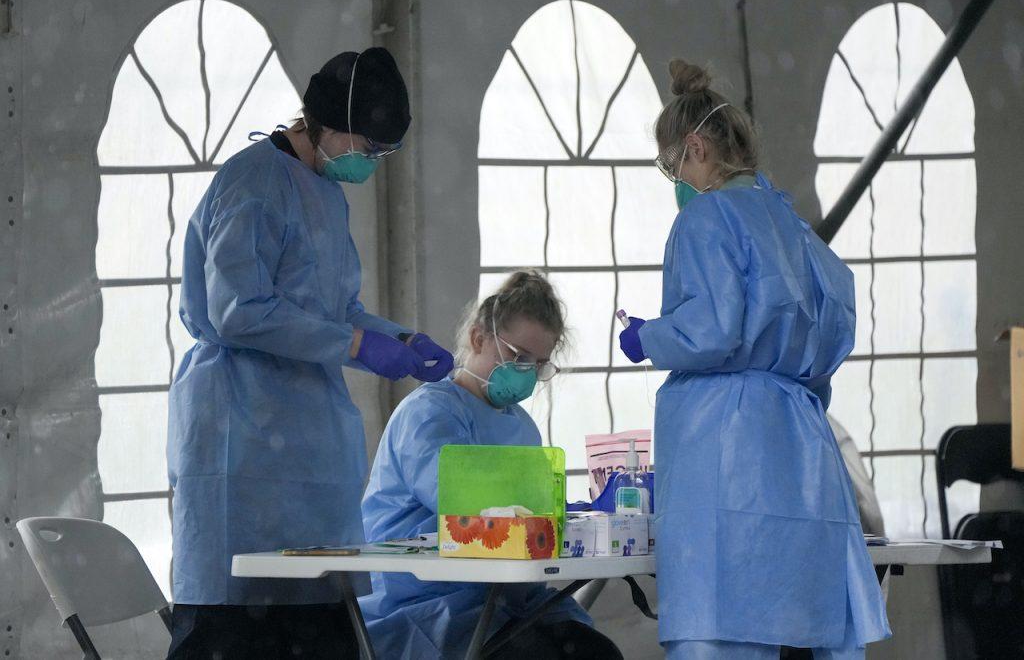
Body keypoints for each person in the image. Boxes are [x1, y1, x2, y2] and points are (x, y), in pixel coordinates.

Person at [166, 47, 454, 658]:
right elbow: (237, 309)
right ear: (322, 122)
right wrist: (355, 344)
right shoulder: (253, 183)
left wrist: (397, 339)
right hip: (237, 427)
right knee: (236, 618)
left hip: (304, 438)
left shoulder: (324, 191)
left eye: (384, 152)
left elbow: (335, 309)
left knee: (319, 618)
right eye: (368, 146)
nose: (371, 161)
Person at [617, 60, 890, 659]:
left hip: (725, 435)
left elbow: (710, 331)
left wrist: (649, 337)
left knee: (719, 620)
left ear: (695, 149)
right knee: (796, 609)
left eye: (671, 165)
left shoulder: (706, 218)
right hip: (799, 441)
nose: (675, 181)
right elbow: (835, 327)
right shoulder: (794, 228)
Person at [359, 271, 623, 659]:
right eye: (518, 357)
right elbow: (467, 507)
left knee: (596, 653)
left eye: (539, 365)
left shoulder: (521, 425)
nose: (526, 374)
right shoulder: (429, 415)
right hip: (429, 600)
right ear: (478, 338)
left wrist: (575, 516)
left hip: (503, 600)